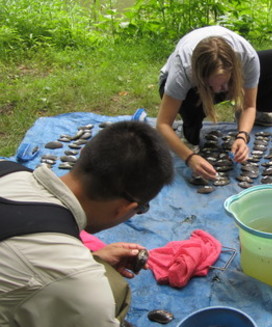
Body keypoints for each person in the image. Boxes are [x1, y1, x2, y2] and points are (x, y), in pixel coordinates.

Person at [0, 121, 174, 326]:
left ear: (84, 154)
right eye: (142, 208)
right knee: (114, 288)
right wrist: (79, 270)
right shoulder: (80, 285)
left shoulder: (10, 172)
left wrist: (92, 258)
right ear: (125, 208)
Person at [157, 25, 272, 180]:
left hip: (224, 73)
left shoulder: (247, 58)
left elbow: (249, 106)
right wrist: (189, 158)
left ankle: (256, 115)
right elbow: (162, 124)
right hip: (189, 89)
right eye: (217, 85)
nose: (222, 90)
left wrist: (242, 136)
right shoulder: (183, 72)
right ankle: (189, 131)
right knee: (190, 101)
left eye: (226, 82)